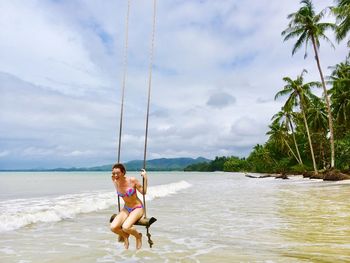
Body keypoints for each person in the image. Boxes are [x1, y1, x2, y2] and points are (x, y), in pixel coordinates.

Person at [110, 163, 147, 250]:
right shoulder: (116, 182)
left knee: (126, 227)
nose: (115, 175)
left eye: (117, 173)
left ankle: (138, 236)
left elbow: (144, 192)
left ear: (123, 172)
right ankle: (125, 236)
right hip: (126, 208)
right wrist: (114, 180)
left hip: (137, 208)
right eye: (113, 173)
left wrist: (145, 178)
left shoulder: (132, 180)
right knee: (113, 227)